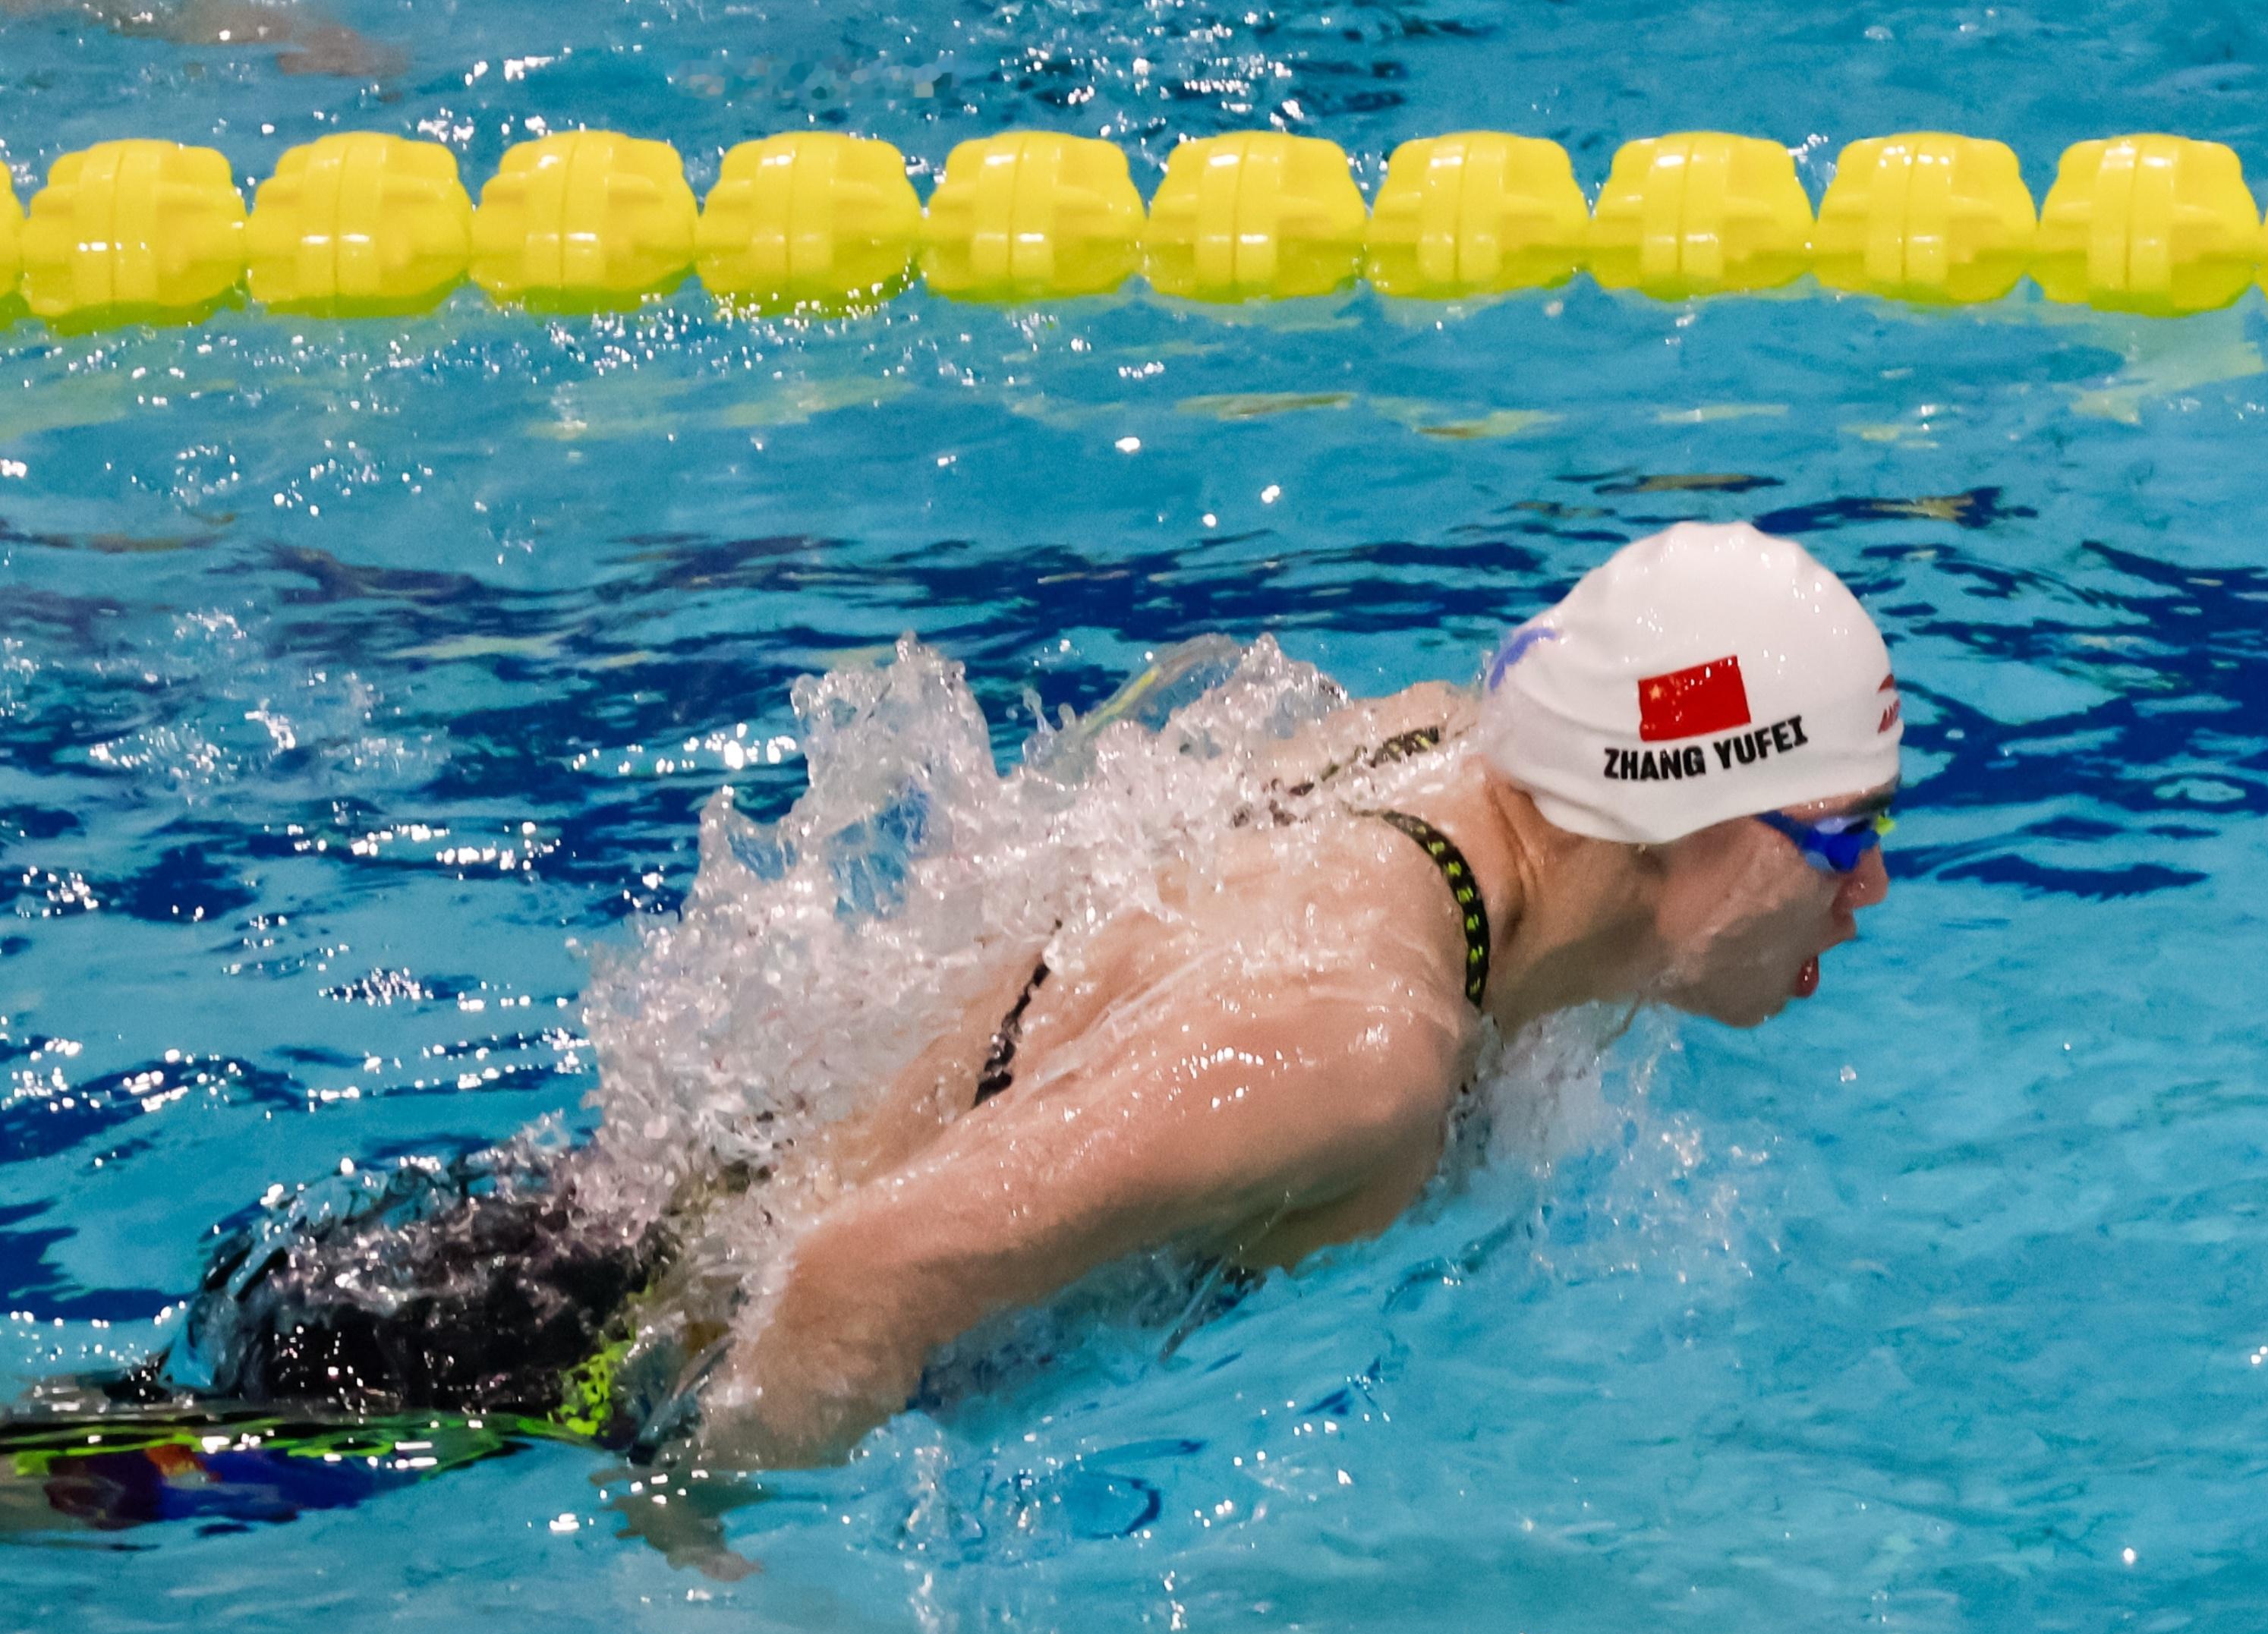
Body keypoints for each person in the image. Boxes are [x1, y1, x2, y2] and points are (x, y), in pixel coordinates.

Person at [5, 521, 1898, 1509]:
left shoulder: (1433, 756)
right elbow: (851, 1279)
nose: (1869, 892)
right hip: (575, 1388)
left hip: (634, 1221)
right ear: (1698, 825)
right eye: (1848, 837)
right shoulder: (1359, 1044)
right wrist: (710, 1571)